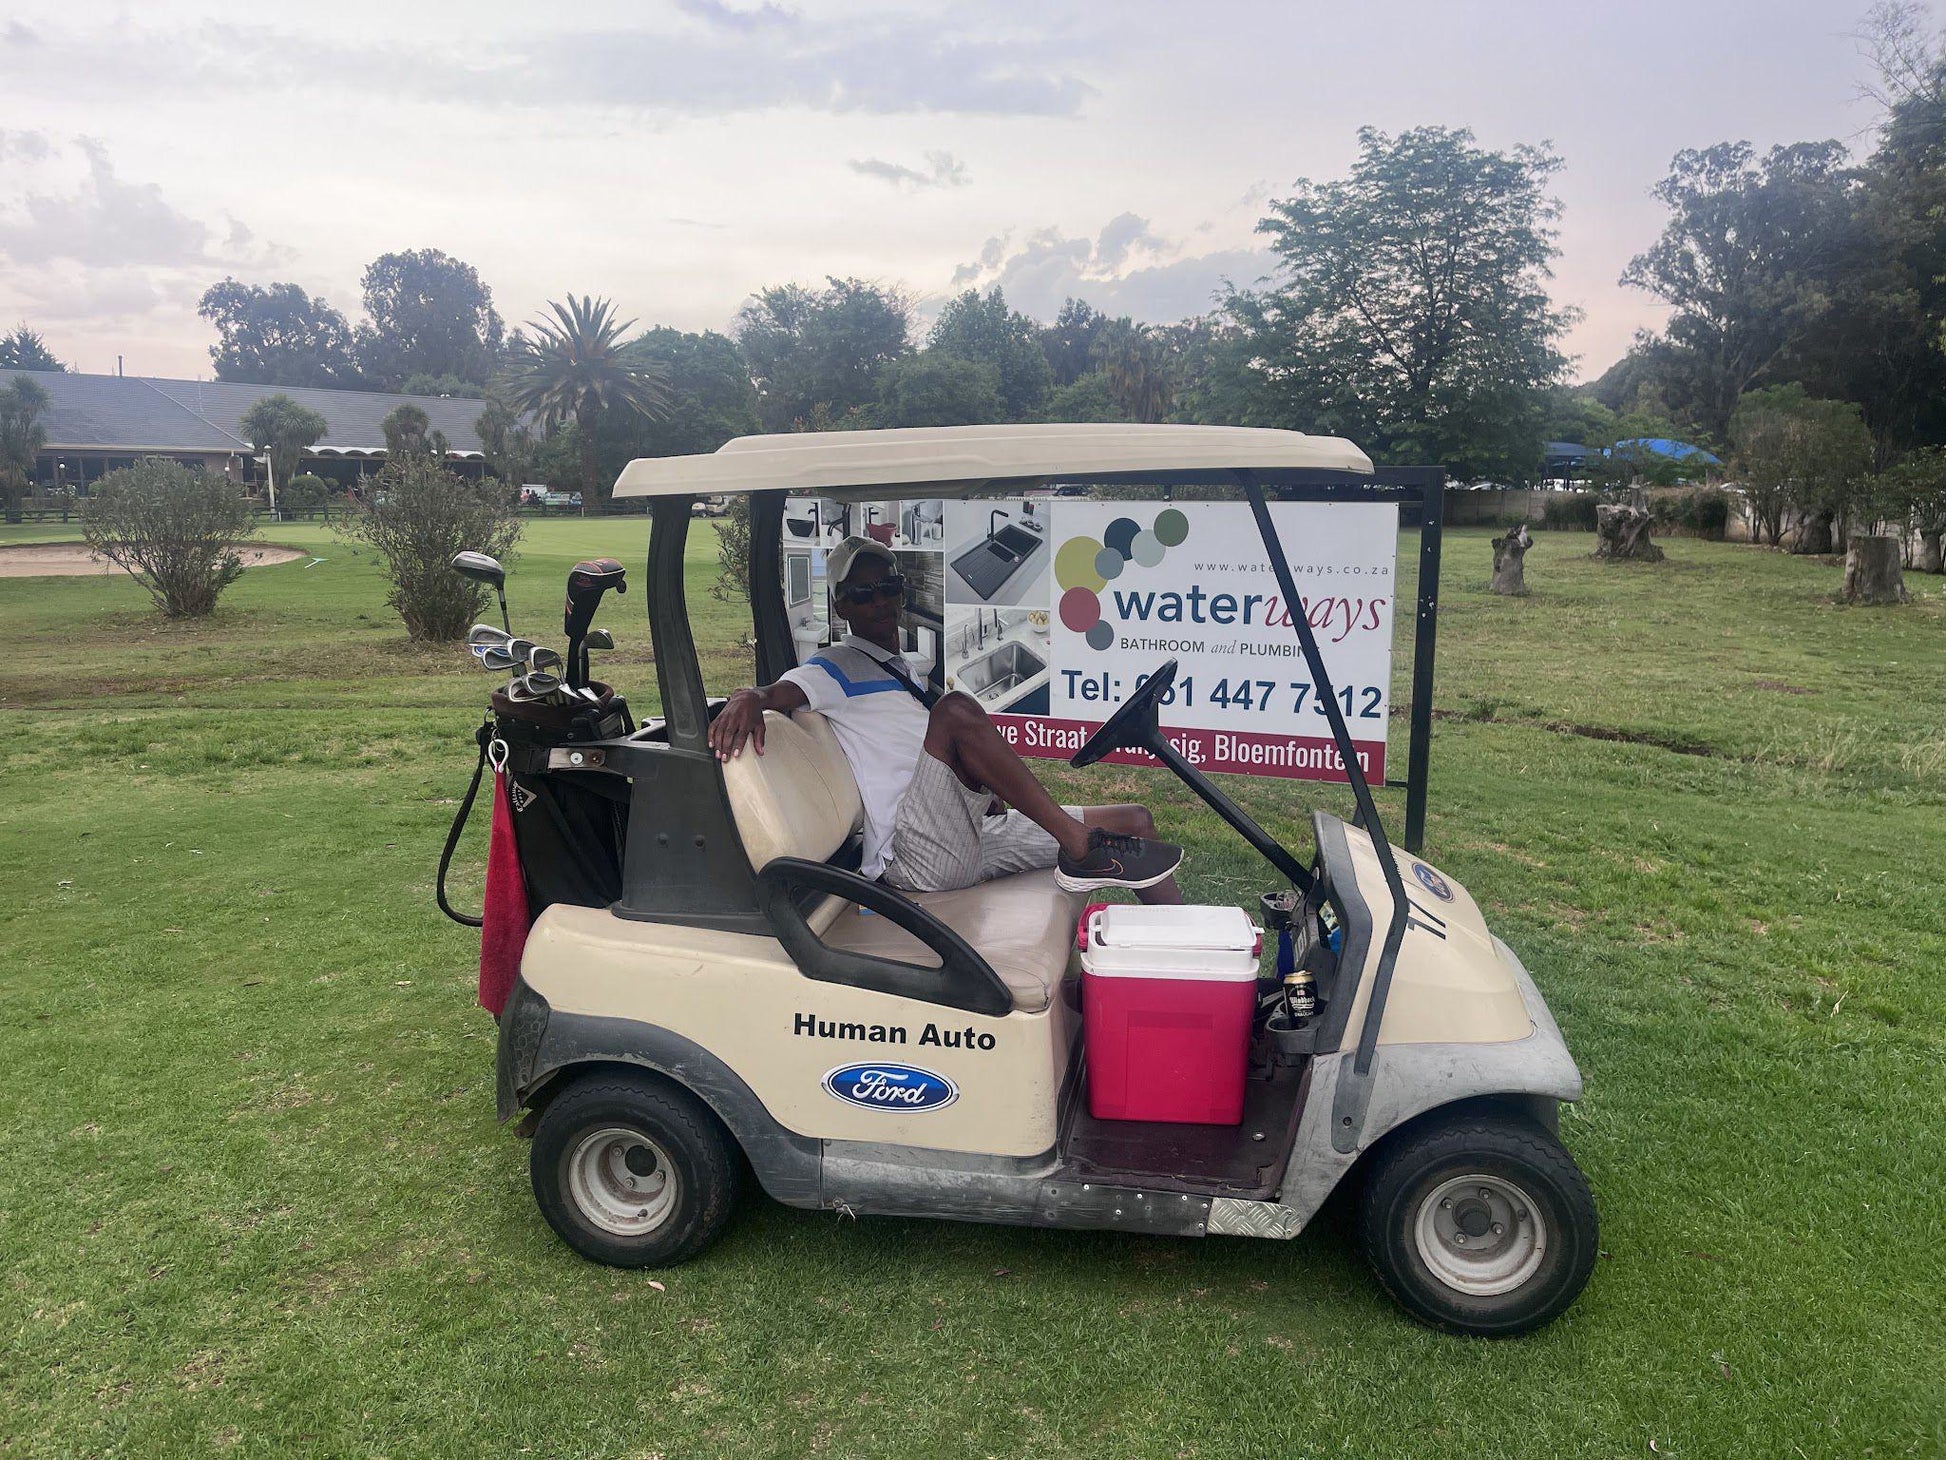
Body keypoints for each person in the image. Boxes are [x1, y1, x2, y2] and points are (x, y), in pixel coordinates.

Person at [709, 536, 1185, 902]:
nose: (879, 600)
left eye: (887, 587)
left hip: (970, 832)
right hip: (917, 853)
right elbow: (780, 690)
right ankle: (1079, 847)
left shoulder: (902, 671)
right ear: (841, 605)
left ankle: (1187, 962)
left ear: (900, 593)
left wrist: (992, 794)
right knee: (955, 711)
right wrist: (747, 696)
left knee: (1135, 822)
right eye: (862, 592)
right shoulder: (836, 665)